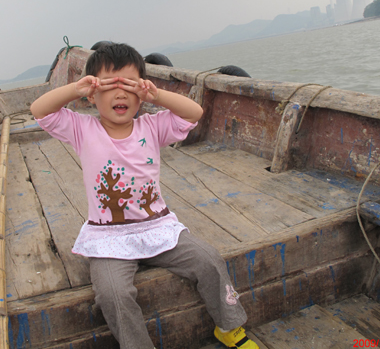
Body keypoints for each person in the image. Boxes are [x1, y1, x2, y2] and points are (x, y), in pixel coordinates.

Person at [30, 43, 258, 349]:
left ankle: (228, 327)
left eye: (129, 86)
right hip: (109, 239)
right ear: (93, 94)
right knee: (113, 293)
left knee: (209, 260)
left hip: (158, 228)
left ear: (141, 92)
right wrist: (75, 89)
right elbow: (40, 110)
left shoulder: (152, 126)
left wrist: (157, 95)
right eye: (110, 86)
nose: (120, 94)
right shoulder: (82, 129)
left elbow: (194, 113)